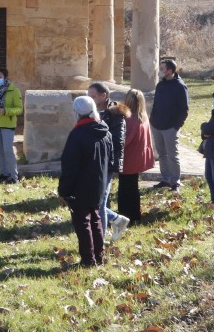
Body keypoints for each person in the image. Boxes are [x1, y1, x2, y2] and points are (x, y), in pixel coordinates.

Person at [58, 96, 112, 267]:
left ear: (76, 113)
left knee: (83, 222)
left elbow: (69, 166)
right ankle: (99, 255)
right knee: (95, 218)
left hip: (81, 186)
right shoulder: (105, 131)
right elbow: (110, 159)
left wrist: (63, 190)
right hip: (99, 183)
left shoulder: (77, 134)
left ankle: (89, 259)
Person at [88, 82, 132, 242]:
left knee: (100, 201)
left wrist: (96, 139)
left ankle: (100, 241)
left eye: (92, 96)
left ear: (103, 96)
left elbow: (118, 141)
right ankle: (117, 219)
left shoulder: (115, 114)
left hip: (107, 162)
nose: (90, 99)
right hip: (93, 161)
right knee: (92, 199)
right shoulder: (92, 111)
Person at [149, 58, 189, 191]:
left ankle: (175, 182)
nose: (160, 71)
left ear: (170, 71)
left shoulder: (180, 86)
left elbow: (184, 109)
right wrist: (152, 120)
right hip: (156, 125)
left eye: (162, 69)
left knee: (172, 155)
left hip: (171, 127)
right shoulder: (160, 85)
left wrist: (176, 126)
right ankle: (165, 179)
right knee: (162, 154)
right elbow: (156, 104)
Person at [119, 89, 154, 223]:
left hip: (129, 159)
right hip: (137, 157)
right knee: (132, 188)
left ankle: (127, 215)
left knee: (125, 189)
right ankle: (134, 215)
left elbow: (125, 140)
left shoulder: (129, 119)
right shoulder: (143, 116)